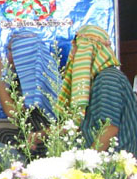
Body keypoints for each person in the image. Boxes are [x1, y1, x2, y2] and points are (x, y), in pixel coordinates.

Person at [57, 24, 137, 154]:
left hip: (113, 163)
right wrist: (42, 135)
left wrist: (88, 161)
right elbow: (80, 124)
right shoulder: (97, 79)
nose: (73, 53)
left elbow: (109, 128)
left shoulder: (108, 79)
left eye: (77, 47)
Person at [0, 32, 60, 158]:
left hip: (48, 139)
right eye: (8, 50)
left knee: (2, 136)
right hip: (31, 136)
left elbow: (15, 114)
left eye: (13, 51)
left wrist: (1, 82)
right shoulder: (17, 75)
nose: (9, 56)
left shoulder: (41, 76)